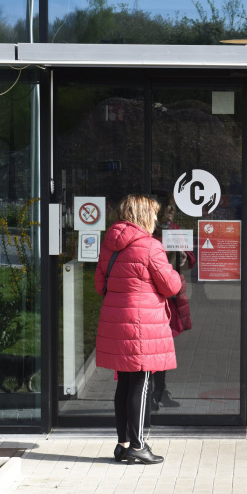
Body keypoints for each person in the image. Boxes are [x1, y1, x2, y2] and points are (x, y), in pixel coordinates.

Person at [95, 194, 182, 465]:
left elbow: (100, 285)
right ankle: (138, 445)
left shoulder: (110, 245)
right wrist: (177, 274)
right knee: (142, 383)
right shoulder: (150, 247)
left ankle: (123, 444)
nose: (156, 219)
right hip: (141, 326)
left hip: (116, 322)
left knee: (124, 383)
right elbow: (171, 286)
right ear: (143, 216)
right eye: (154, 214)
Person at [151, 194, 196, 411]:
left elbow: (190, 259)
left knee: (164, 345)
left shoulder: (175, 229)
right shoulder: (148, 231)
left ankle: (160, 390)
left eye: (173, 208)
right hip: (153, 295)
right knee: (151, 346)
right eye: (168, 208)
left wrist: (184, 255)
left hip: (172, 295)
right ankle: (149, 392)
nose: (171, 212)